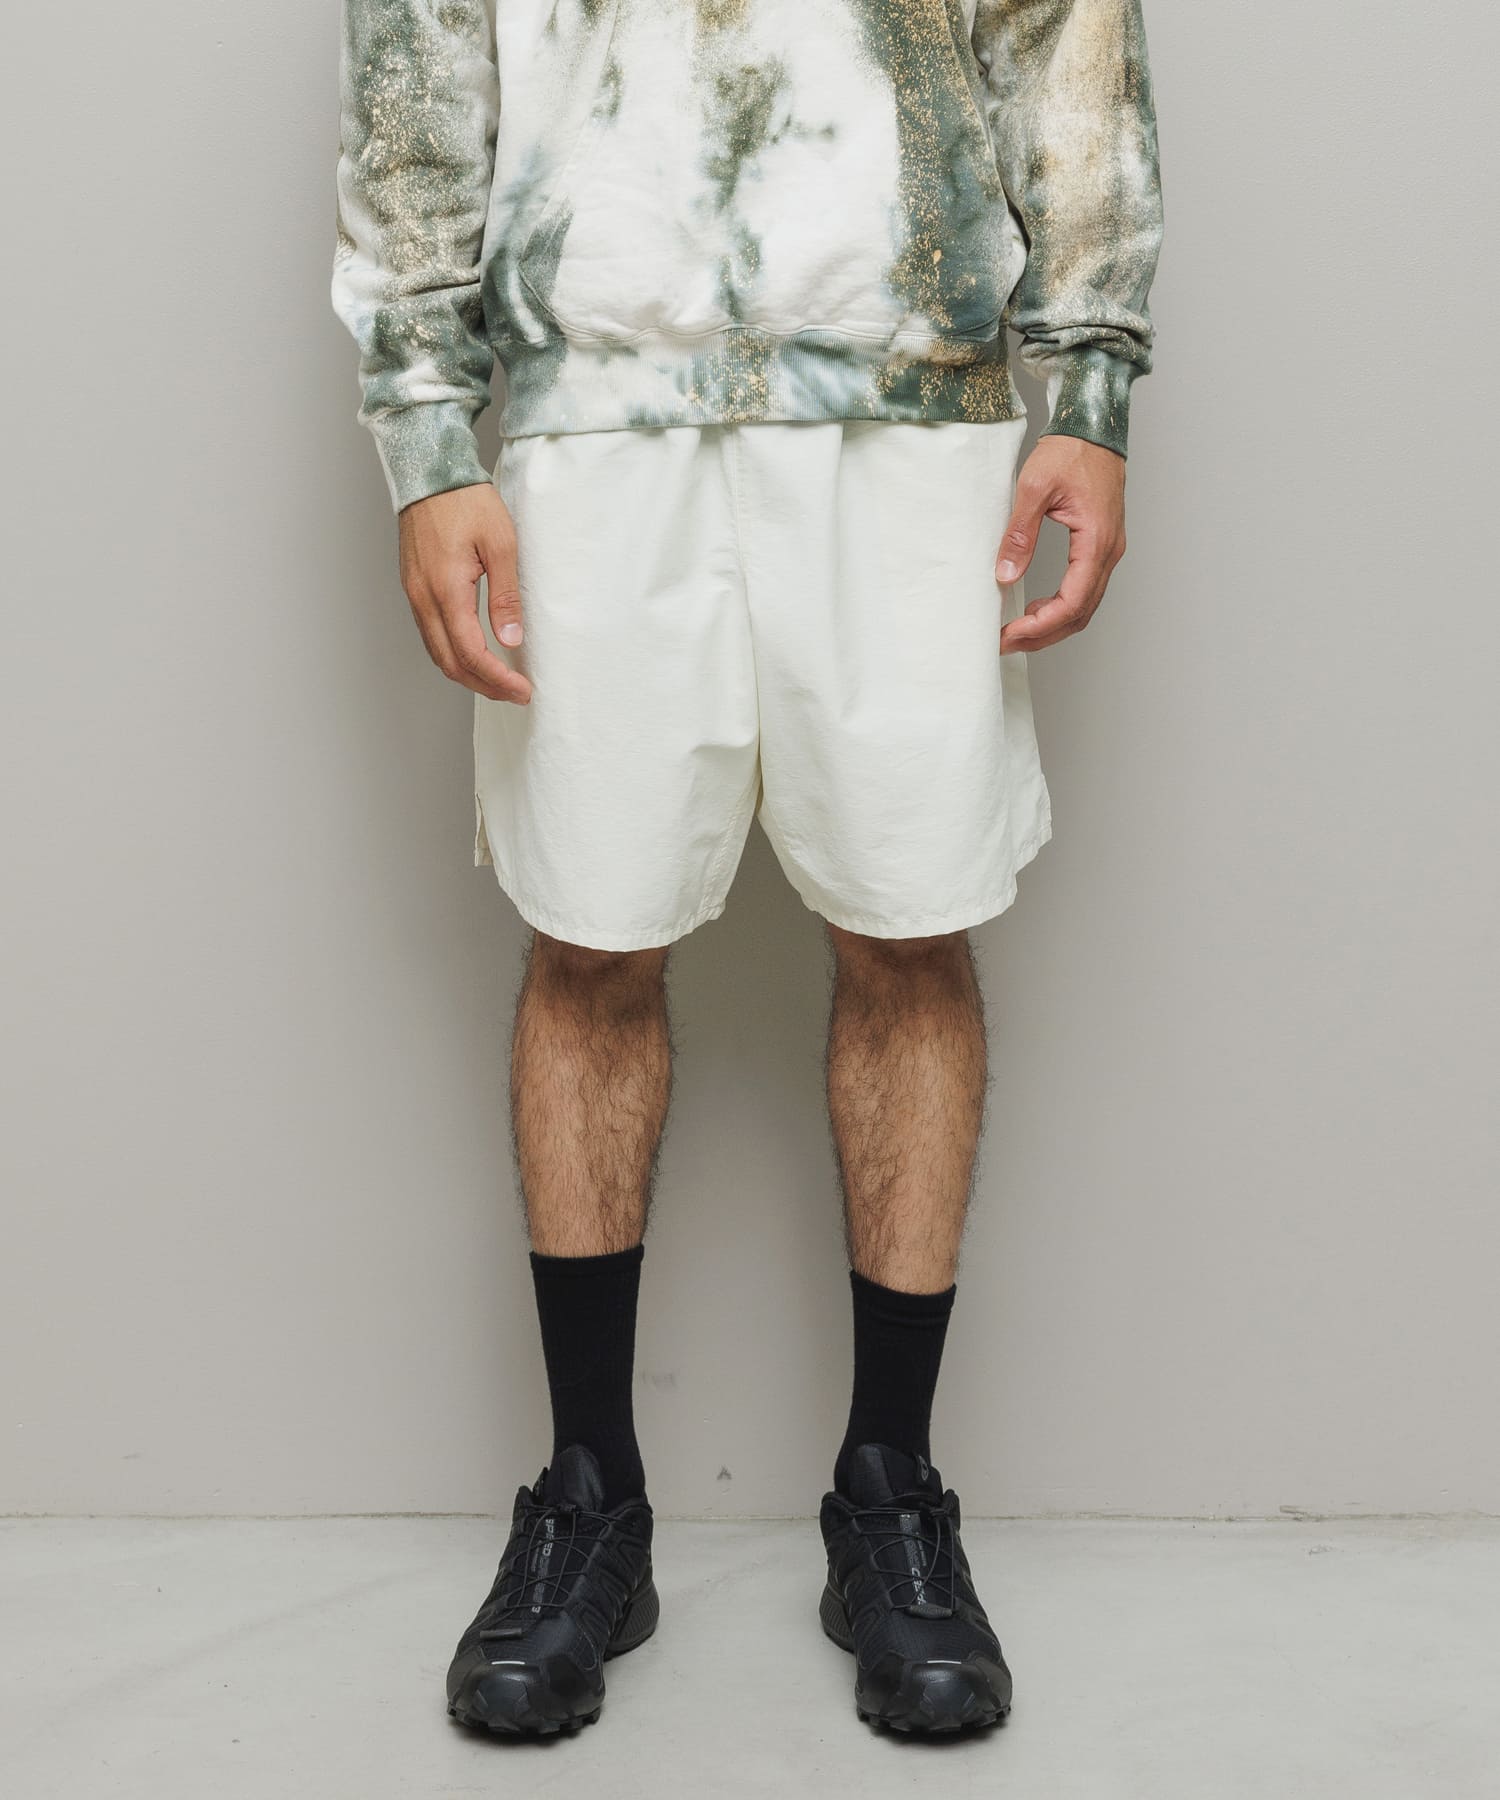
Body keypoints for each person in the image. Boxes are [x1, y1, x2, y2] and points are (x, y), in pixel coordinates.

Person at [332, 0, 1162, 1739]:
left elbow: (1065, 28)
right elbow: (420, 51)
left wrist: (1088, 385)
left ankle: (891, 1501)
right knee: (589, 942)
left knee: (910, 931)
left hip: (912, 391)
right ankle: (589, 1504)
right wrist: (424, 428)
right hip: (594, 398)